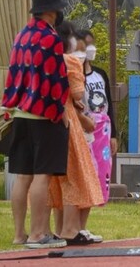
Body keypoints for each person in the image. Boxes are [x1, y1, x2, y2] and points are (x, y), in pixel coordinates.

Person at [2, 0, 70, 249]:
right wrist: (59, 112)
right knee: (43, 175)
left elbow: (13, 73)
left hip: (19, 112)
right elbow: (55, 79)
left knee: (23, 176)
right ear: (52, 10)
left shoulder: (21, 35)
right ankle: (38, 233)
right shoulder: (50, 38)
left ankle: (19, 234)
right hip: (44, 114)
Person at [48, 22, 103, 246]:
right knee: (77, 175)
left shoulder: (47, 60)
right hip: (69, 121)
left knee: (57, 180)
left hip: (49, 121)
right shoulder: (70, 61)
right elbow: (78, 92)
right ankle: (72, 229)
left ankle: (60, 228)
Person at [79, 29, 115, 243]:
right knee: (84, 175)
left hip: (102, 132)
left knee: (98, 177)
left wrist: (114, 135)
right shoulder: (73, 74)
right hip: (83, 130)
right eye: (86, 45)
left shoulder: (100, 74)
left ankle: (83, 226)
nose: (90, 49)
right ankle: (76, 227)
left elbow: (110, 104)